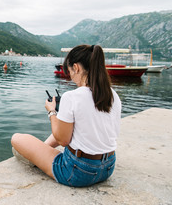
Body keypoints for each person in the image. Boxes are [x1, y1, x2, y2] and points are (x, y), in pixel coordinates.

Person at [11, 44, 121, 187]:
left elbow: (62, 140)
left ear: (76, 68)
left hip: (78, 171)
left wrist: (52, 112)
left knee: (17, 138)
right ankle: (40, 152)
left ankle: (37, 155)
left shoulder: (72, 96)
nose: (70, 76)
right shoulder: (113, 95)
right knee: (66, 126)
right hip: (107, 167)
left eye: (69, 71)